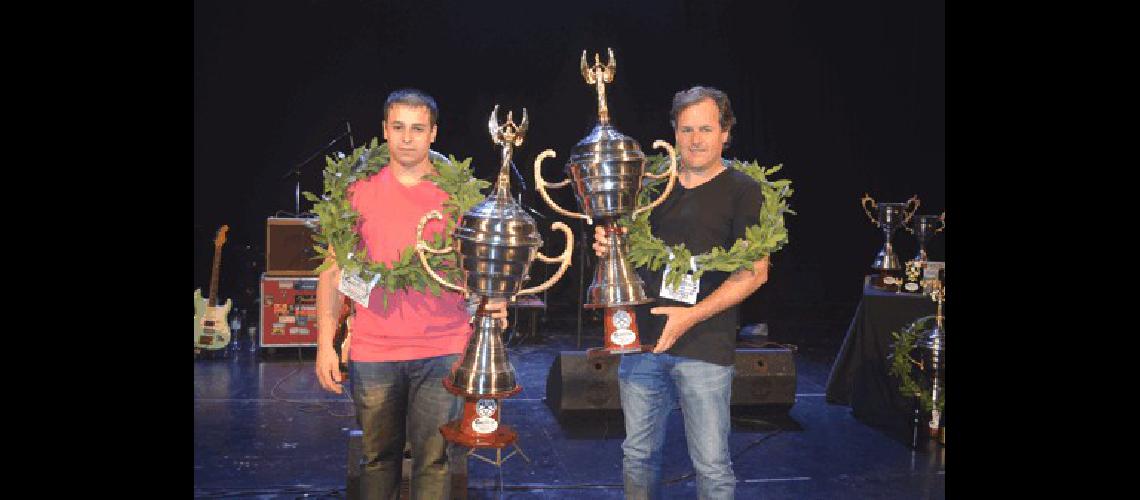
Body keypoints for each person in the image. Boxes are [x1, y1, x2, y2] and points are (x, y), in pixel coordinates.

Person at [314, 88, 508, 500]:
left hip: (442, 347)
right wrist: (325, 344)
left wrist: (496, 298)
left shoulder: (458, 197)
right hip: (374, 351)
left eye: (417, 129)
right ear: (384, 130)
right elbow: (334, 271)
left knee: (435, 461)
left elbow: (478, 266)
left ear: (433, 133)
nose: (407, 138)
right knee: (376, 460)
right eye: (398, 127)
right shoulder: (356, 192)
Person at [593, 86, 770, 499]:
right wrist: (610, 248)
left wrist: (688, 316)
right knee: (637, 456)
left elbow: (754, 273)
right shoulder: (650, 185)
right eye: (686, 129)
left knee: (711, 466)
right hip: (641, 344)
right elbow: (627, 254)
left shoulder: (744, 190)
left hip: (705, 346)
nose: (695, 139)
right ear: (673, 131)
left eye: (706, 129)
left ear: (725, 132)